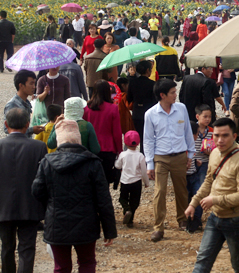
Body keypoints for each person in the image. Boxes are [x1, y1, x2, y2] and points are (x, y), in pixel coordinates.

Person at [32, 119, 117, 273]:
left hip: (56, 224)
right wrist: (109, 229)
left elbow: (37, 191)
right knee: (87, 262)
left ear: (59, 138)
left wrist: (50, 205)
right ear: (78, 137)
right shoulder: (92, 162)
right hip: (86, 225)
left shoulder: (47, 162)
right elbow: (103, 199)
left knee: (61, 267)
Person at [185, 118, 239, 273]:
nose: (220, 140)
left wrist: (214, 200)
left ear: (234, 136)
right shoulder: (215, 153)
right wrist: (193, 204)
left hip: (237, 220)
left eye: (225, 135)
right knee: (203, 259)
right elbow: (209, 180)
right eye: (216, 135)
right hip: (215, 217)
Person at [144, 79, 196, 242]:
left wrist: (190, 154)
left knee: (181, 189)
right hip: (161, 158)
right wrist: (150, 163)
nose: (175, 95)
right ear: (162, 95)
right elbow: (148, 140)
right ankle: (158, 227)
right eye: (173, 92)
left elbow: (188, 131)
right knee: (160, 192)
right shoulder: (151, 114)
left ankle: (182, 219)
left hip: (180, 155)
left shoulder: (181, 109)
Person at [0, 108, 48, 273]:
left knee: (6, 247)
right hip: (30, 205)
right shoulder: (39, 147)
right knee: (27, 249)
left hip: (3, 206)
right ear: (28, 124)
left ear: (6, 124)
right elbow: (43, 179)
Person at [83, 80, 123, 184]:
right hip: (108, 148)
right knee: (105, 180)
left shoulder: (87, 109)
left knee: (91, 181)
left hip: (90, 148)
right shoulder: (113, 108)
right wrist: (120, 151)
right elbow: (117, 133)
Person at [186, 105, 214, 233]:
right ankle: (189, 216)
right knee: (188, 191)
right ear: (198, 116)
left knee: (200, 189)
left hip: (204, 164)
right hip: (190, 164)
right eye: (205, 116)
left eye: (210, 116)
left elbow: (216, 149)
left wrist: (211, 153)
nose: (208, 119)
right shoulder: (191, 128)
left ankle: (197, 218)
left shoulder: (212, 131)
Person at [114, 130, 149, 228]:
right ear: (138, 142)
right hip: (136, 182)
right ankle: (130, 220)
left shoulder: (123, 155)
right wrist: (146, 182)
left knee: (123, 198)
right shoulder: (140, 156)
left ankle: (126, 209)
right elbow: (143, 171)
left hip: (125, 181)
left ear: (125, 142)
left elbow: (117, 166)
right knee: (135, 201)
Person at [127, 61, 157, 154]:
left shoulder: (133, 82)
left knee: (140, 136)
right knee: (148, 138)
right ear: (148, 70)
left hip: (136, 113)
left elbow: (129, 98)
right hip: (149, 114)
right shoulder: (152, 84)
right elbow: (155, 101)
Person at [4, 70, 44, 136]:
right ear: (21, 85)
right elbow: (7, 129)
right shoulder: (12, 104)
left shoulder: (27, 103)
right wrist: (32, 130)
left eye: (34, 83)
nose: (34, 87)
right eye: (31, 84)